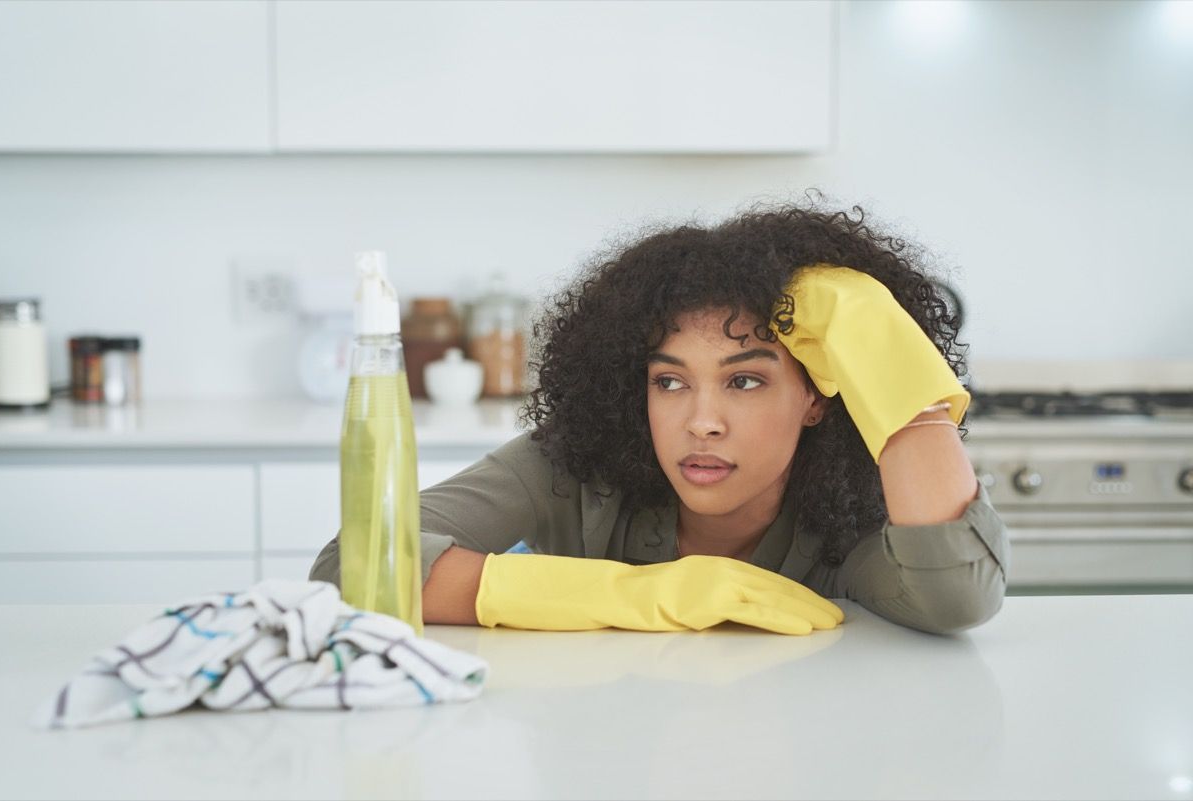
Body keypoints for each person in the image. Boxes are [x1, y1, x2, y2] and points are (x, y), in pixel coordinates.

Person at [310, 198, 1008, 636]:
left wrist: (869, 331)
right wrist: (638, 591)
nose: (702, 421)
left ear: (816, 396)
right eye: (670, 380)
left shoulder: (852, 512)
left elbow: (957, 600)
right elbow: (355, 562)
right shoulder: (571, 469)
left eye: (744, 380)